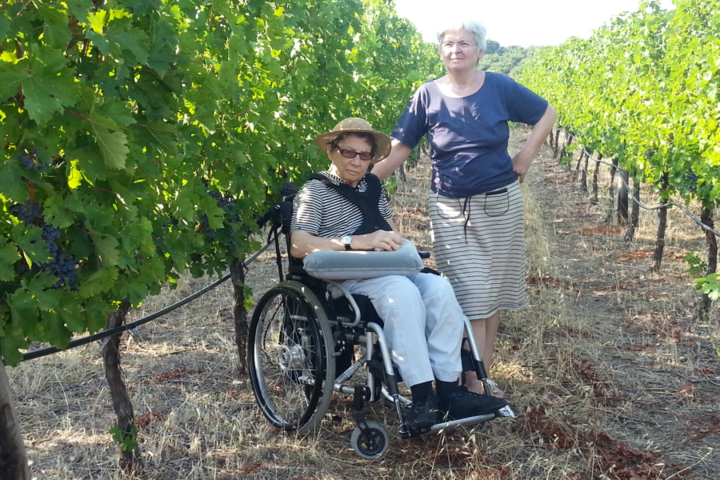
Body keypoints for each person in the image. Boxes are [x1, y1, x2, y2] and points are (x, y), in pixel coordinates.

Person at [371, 21, 558, 398]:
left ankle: (479, 376)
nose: (456, 49)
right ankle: (468, 376)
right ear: (440, 51)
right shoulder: (426, 94)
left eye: (465, 43)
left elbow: (547, 113)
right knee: (470, 294)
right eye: (449, 43)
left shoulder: (500, 86)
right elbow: (401, 147)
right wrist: (358, 180)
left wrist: (525, 156)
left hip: (501, 202)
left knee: (495, 294)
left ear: (480, 51)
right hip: (451, 207)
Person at [290, 117, 507, 428]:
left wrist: (398, 244)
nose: (357, 161)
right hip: (347, 279)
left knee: (440, 290)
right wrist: (357, 242)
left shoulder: (372, 186)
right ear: (331, 151)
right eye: (349, 153)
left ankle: (449, 390)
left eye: (365, 155)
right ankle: (422, 396)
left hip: (388, 267)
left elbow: (391, 230)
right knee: (401, 292)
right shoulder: (314, 191)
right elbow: (298, 244)